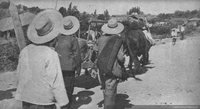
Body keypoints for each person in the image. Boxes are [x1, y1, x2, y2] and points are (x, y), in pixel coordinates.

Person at [15, 9, 69, 109]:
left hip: (26, 99)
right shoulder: (51, 54)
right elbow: (56, 82)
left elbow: (19, 75)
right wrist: (63, 103)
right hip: (43, 102)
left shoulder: (25, 50)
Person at [96, 19, 125, 109]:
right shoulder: (118, 40)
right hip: (111, 68)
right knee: (110, 90)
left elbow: (95, 52)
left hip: (100, 67)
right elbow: (120, 57)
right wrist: (123, 62)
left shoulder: (100, 39)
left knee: (104, 88)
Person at [55, 16, 81, 109]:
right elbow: (77, 55)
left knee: (59, 87)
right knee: (69, 88)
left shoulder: (57, 38)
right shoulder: (73, 39)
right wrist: (78, 68)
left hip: (58, 67)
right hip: (69, 67)